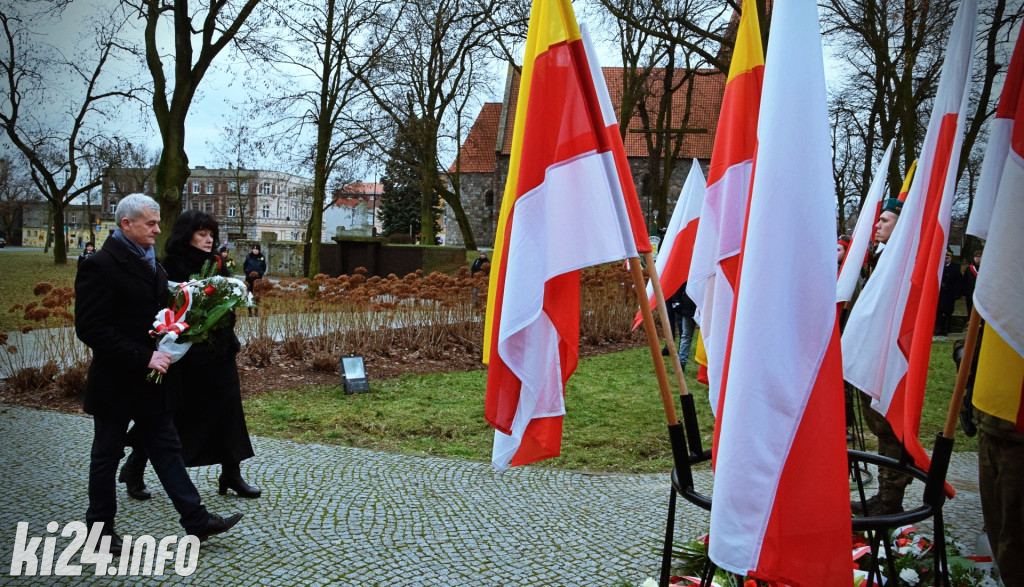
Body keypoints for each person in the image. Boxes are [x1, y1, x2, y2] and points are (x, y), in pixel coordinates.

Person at [74, 194, 243, 549]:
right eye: (150, 223)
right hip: (118, 381)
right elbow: (91, 328)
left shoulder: (153, 264)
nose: (157, 229)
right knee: (106, 454)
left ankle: (196, 520)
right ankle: (99, 531)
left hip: (154, 381)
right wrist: (144, 357)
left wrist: (179, 332)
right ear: (126, 224)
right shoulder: (101, 265)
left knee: (166, 448)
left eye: (156, 222)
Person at [121, 211, 261, 500]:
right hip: (185, 355)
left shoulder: (218, 266)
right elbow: (164, 310)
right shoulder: (171, 267)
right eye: (202, 234)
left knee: (228, 411)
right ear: (187, 235)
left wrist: (223, 318)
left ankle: (231, 474)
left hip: (219, 352)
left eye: (211, 234)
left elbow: (227, 304)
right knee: (170, 416)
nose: (209, 240)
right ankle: (136, 464)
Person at [854, 196, 914, 516]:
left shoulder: (901, 261)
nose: (877, 225)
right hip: (873, 351)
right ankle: (884, 496)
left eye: (885, 221)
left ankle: (891, 500)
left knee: (890, 427)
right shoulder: (883, 257)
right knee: (880, 425)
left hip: (890, 356)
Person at [934, 248, 962, 338]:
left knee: (948, 313)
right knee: (938, 312)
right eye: (944, 257)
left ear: (951, 258)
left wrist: (957, 294)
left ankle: (946, 329)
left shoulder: (955, 268)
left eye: (948, 257)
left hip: (950, 293)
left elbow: (958, 282)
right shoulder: (938, 266)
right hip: (940, 293)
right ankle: (938, 329)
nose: (946, 259)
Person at [243, 244, 266, 317]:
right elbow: (244, 266)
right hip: (249, 279)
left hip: (258, 279)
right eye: (253, 249)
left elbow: (264, 267)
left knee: (257, 295)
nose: (255, 250)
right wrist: (248, 273)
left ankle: (256, 311)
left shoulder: (262, 257)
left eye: (256, 249)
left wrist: (260, 274)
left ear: (259, 250)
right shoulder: (248, 256)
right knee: (249, 295)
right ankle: (249, 311)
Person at [961, 248, 981, 316]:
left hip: (981, 294)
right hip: (970, 294)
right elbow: (965, 281)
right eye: (975, 256)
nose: (977, 258)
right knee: (970, 310)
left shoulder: (984, 268)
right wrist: (964, 294)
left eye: (979, 257)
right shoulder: (969, 269)